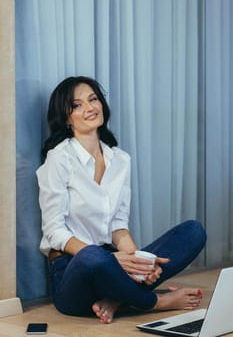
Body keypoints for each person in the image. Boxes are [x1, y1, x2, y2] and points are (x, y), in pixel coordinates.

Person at [36, 76, 207, 324]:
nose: (90, 107)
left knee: (193, 231)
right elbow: (54, 231)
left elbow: (118, 228)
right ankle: (155, 302)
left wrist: (140, 267)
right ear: (66, 118)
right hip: (74, 270)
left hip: (113, 265)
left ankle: (118, 299)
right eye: (77, 105)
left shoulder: (120, 160)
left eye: (93, 99)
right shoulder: (59, 159)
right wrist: (111, 261)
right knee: (93, 257)